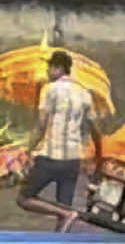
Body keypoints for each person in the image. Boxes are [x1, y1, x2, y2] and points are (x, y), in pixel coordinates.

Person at [18, 49, 102, 231]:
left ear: (58, 68)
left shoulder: (49, 90)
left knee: (25, 198)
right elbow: (95, 130)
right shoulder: (84, 93)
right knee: (65, 209)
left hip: (50, 157)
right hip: (72, 160)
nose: (47, 72)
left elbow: (41, 125)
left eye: (50, 68)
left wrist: (28, 150)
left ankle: (65, 217)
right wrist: (99, 158)